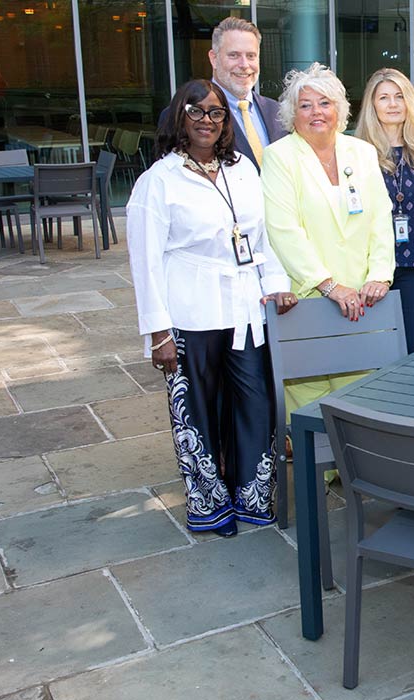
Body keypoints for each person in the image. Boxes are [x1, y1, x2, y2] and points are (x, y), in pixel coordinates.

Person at [126, 79, 297, 538]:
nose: (207, 120)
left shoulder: (242, 169)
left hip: (245, 308)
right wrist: (158, 334)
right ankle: (210, 504)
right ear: (179, 117)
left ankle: (254, 497)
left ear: (227, 122)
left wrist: (276, 285)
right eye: (196, 111)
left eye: (216, 112)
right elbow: (145, 263)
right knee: (198, 411)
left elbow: (265, 237)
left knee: (256, 404)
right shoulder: (157, 181)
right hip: (190, 310)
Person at [262, 62, 395, 417]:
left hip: (364, 300)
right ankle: (317, 473)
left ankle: (355, 469)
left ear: (339, 109)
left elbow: (382, 217)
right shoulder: (279, 157)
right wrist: (329, 285)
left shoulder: (362, 152)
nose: (316, 112)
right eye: (305, 105)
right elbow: (283, 229)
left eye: (325, 103)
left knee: (363, 395)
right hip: (308, 297)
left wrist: (380, 274)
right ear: (293, 114)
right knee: (310, 396)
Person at [356, 67, 414, 352]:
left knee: (413, 346)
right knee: (373, 348)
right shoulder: (356, 154)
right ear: (372, 105)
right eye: (383, 98)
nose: (392, 104)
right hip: (366, 269)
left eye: (399, 97)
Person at [158, 17, 285, 171]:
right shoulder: (182, 115)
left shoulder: (278, 112)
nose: (244, 65)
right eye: (234, 55)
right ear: (214, 58)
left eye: (251, 56)